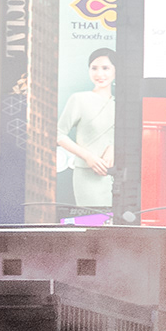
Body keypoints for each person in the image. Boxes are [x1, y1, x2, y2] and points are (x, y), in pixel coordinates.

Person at [55, 48, 118, 212]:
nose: (99, 74)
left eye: (105, 68)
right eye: (94, 68)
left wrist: (115, 148)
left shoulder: (121, 104)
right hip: (87, 174)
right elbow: (59, 133)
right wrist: (88, 157)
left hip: (117, 176)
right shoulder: (79, 99)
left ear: (116, 71)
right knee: (93, 221)